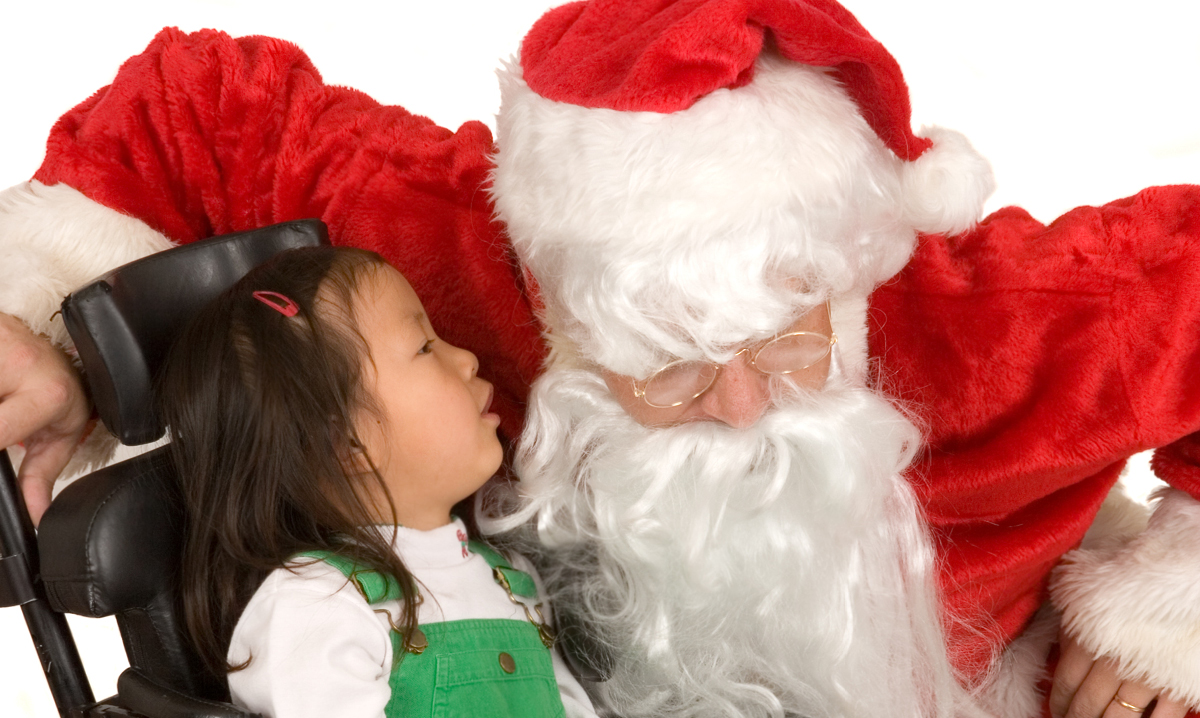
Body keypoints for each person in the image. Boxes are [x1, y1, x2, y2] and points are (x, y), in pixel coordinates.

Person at [0, 1, 1198, 717]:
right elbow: (194, 104)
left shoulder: (1025, 319)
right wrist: (40, 332)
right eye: (665, 365)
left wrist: (1168, 611)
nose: (735, 409)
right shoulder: (452, 259)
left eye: (787, 343)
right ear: (557, 309)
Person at [154, 243, 597, 718]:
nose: (466, 358)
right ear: (346, 442)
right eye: (426, 347)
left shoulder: (512, 583)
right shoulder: (317, 608)